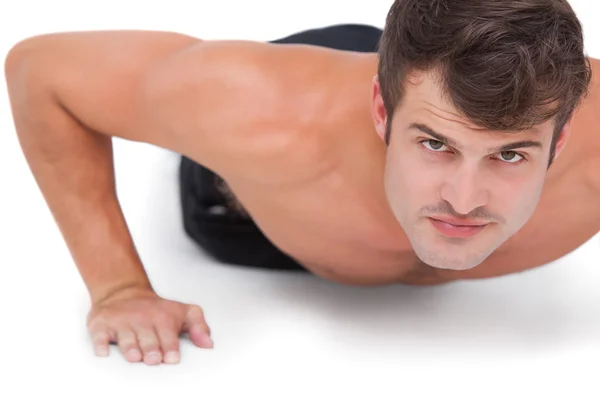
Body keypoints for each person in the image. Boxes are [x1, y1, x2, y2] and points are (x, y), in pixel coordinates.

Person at [5, 0, 599, 366]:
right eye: (435, 145)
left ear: (563, 137)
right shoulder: (257, 113)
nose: (464, 200)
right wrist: (117, 289)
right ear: (382, 111)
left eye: (511, 156)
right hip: (254, 210)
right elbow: (40, 71)